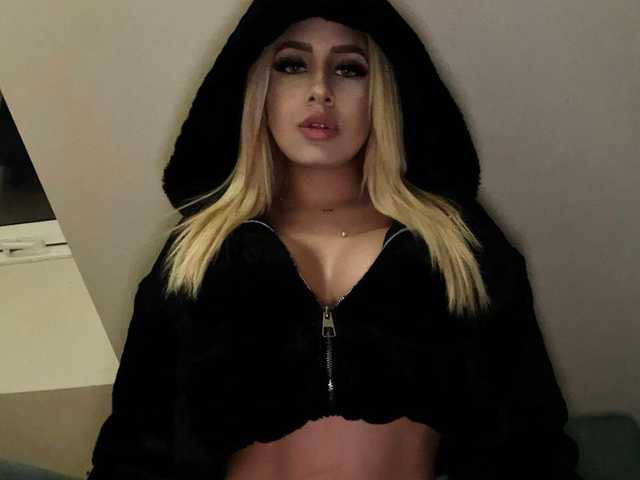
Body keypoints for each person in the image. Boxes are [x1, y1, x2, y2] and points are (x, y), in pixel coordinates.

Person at [87, 1, 583, 479]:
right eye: (292, 65)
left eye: (349, 69)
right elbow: (136, 446)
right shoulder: (199, 252)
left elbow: (530, 441)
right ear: (258, 89)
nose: (320, 91)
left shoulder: (458, 248)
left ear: (383, 94)